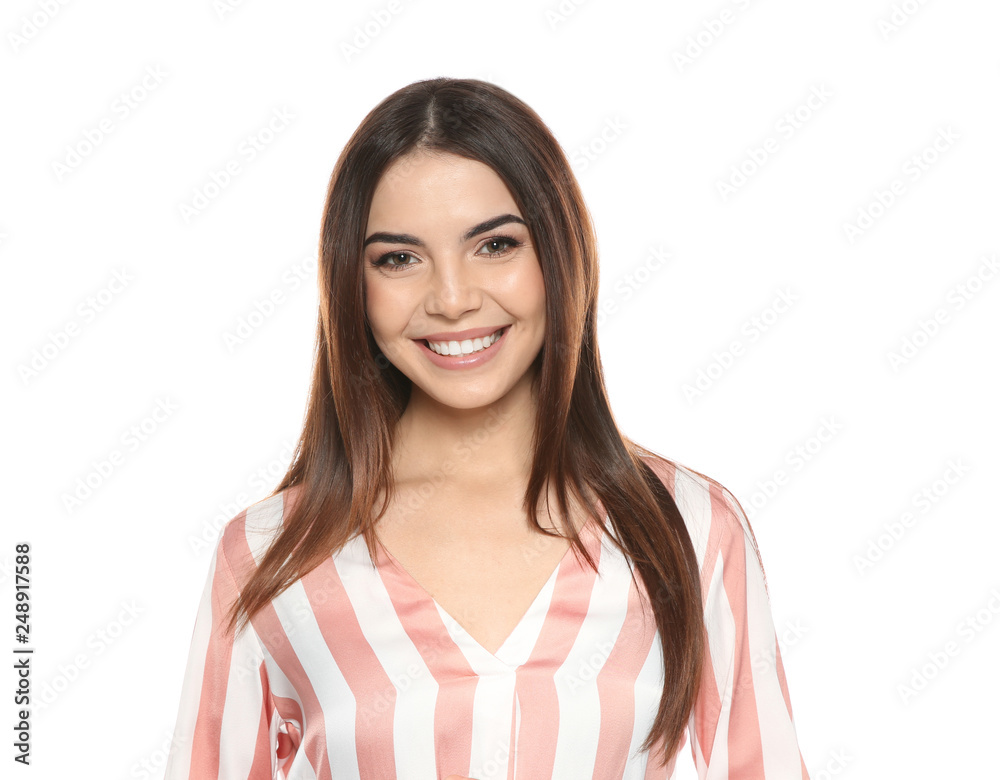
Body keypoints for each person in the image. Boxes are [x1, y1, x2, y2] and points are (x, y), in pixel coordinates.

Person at [163, 77, 810, 780]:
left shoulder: (688, 526)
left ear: (559, 255)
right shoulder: (270, 555)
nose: (452, 298)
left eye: (495, 245)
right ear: (353, 284)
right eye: (399, 259)